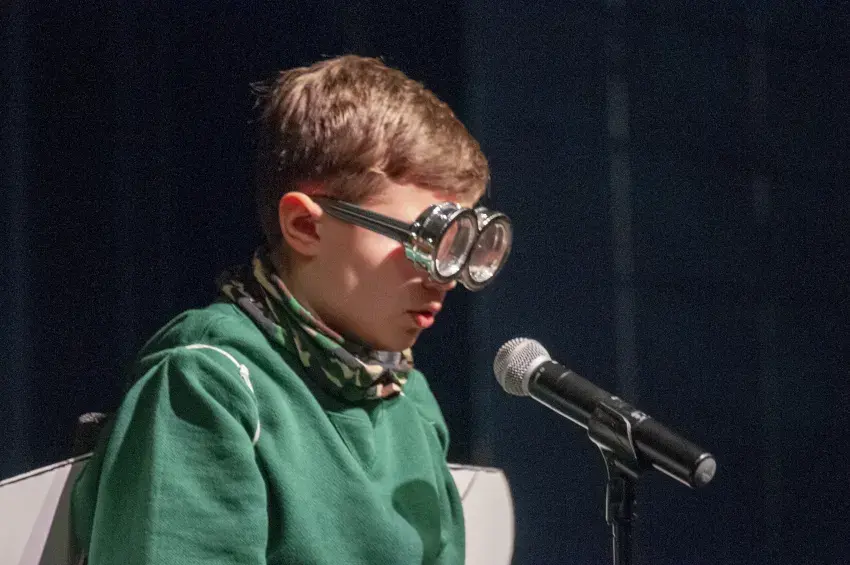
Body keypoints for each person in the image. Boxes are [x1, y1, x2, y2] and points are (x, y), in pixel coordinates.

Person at [71, 54, 511, 565]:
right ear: (305, 226)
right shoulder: (209, 387)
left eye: (459, 248)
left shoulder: (410, 401)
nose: (445, 277)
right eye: (424, 240)